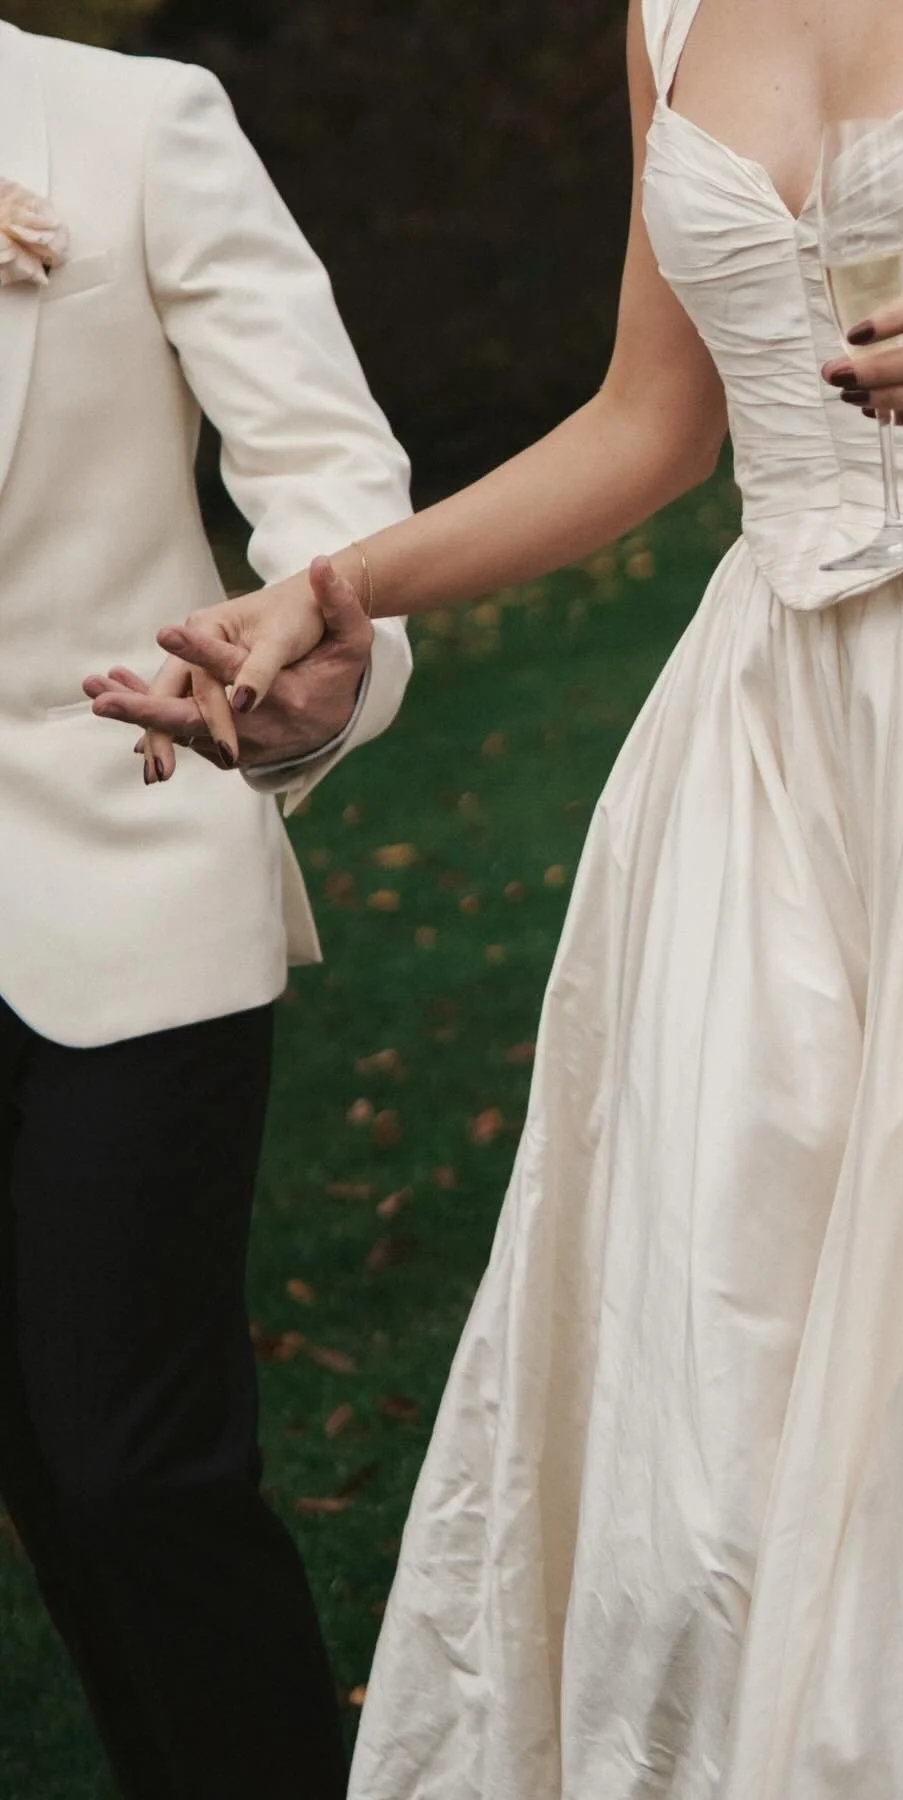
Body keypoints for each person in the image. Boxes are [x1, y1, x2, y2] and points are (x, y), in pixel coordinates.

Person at [91, 0, 903, 1793]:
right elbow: (648, 424)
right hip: (780, 749)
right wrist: (333, 590)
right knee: (731, 1339)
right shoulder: (664, 16)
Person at [0, 16, 413, 1800]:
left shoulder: (138, 122)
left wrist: (321, 648)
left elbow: (326, 469)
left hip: (116, 852)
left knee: (131, 1476)